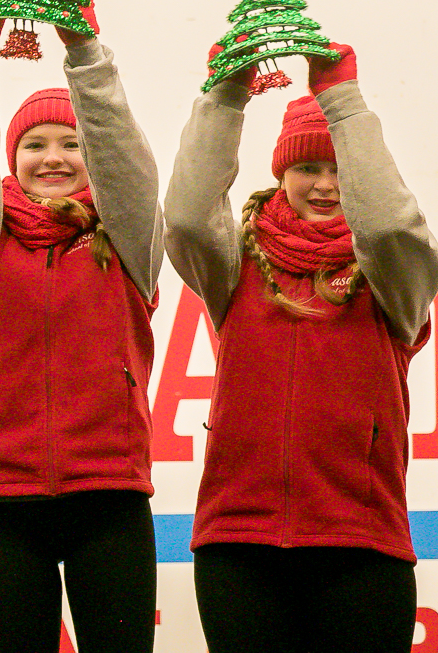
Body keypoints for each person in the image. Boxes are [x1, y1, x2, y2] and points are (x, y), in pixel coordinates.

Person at [164, 43, 437, 652]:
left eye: (341, 167)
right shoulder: (234, 266)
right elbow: (184, 219)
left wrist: (342, 103)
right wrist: (226, 95)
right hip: (239, 545)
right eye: (308, 167)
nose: (326, 185)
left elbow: (389, 225)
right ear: (281, 174)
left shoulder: (394, 277)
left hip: (362, 545)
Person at [0, 0, 162, 653]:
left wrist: (83, 50)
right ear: (12, 159)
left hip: (110, 496)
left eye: (71, 143)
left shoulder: (126, 236)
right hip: (1, 502)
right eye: (35, 144)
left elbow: (125, 157)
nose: (53, 158)